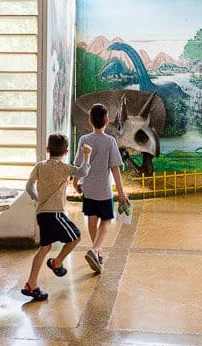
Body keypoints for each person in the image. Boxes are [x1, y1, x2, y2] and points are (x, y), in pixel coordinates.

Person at [21, 134, 92, 301]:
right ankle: (57, 262)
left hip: (42, 214)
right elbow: (82, 171)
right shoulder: (65, 168)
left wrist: (37, 197)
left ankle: (31, 284)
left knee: (44, 249)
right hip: (56, 214)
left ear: (47, 149)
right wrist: (87, 154)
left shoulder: (40, 166)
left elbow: (29, 185)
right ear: (66, 151)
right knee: (76, 237)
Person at [72, 103, 129, 274]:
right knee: (107, 220)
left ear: (90, 121)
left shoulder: (84, 140)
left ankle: (96, 251)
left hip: (88, 188)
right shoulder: (110, 141)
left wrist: (75, 183)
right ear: (107, 121)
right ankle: (96, 249)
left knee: (92, 218)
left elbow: (79, 165)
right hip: (104, 189)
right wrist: (121, 192)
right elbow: (115, 168)